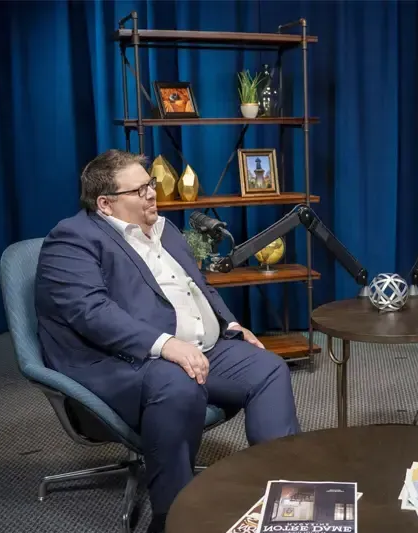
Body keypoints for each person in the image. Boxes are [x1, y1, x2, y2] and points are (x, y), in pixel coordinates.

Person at [34, 149, 300, 533]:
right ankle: (172, 518)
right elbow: (91, 313)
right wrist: (165, 345)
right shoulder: (72, 239)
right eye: (140, 190)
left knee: (269, 368)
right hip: (121, 361)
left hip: (200, 347)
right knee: (179, 384)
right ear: (105, 204)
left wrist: (231, 324)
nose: (152, 194)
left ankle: (282, 495)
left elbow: (198, 287)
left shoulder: (165, 229)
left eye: (151, 184)